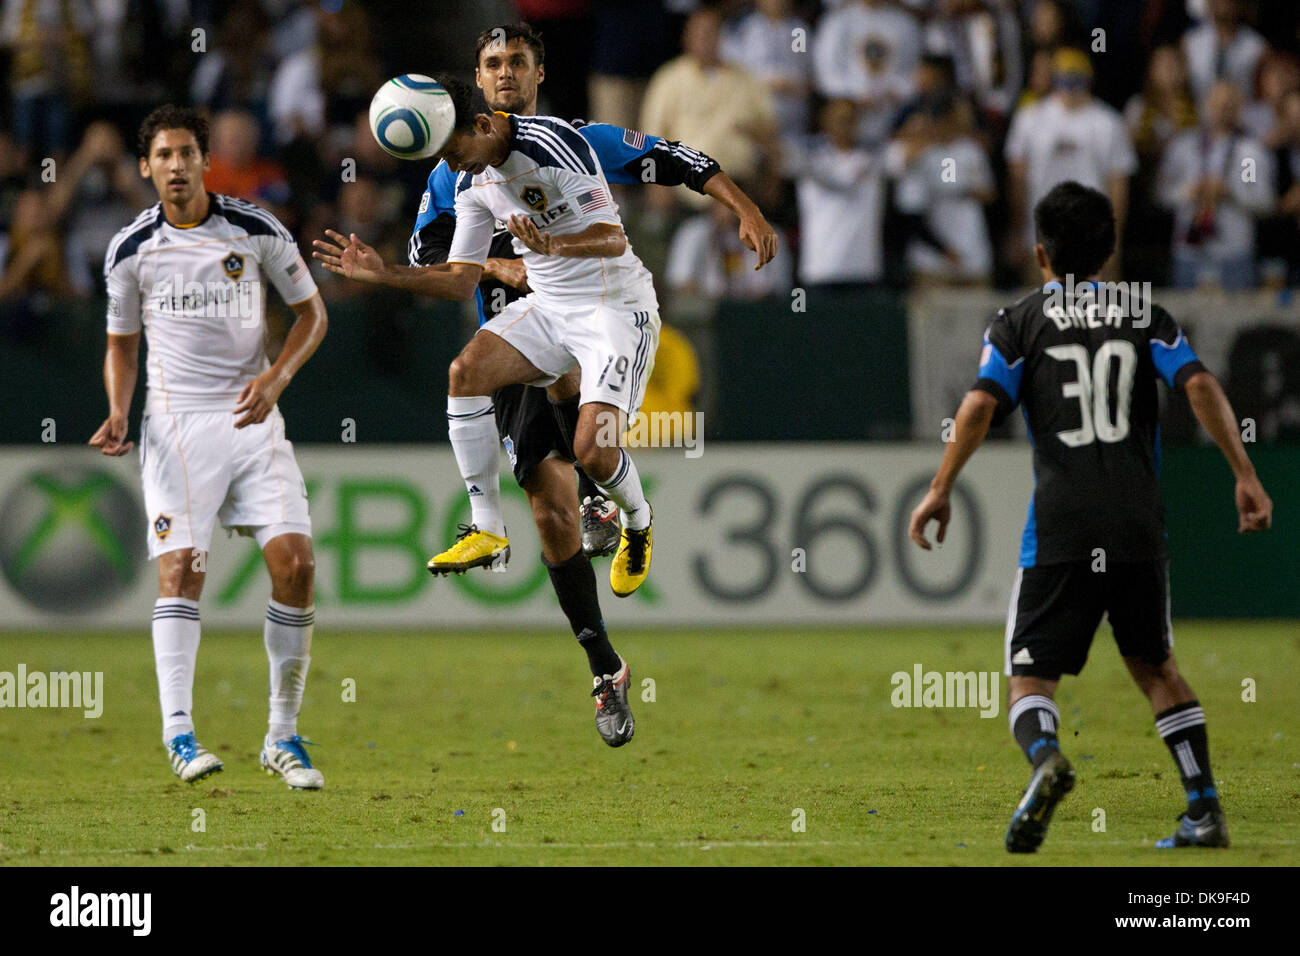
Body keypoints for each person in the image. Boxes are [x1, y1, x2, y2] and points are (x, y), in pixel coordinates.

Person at [392, 25, 775, 746]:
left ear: (539, 73)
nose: (505, 74)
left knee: (585, 415)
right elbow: (430, 258)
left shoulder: (580, 140)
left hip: (589, 315)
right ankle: (605, 668)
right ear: (477, 80)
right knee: (549, 518)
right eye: (492, 65)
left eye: (517, 63)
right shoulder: (453, 170)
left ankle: (611, 494)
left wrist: (743, 206)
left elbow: (679, 160)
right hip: (516, 337)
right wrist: (502, 268)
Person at [908, 181, 1274, 853]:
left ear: (1040, 254)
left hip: (1061, 523)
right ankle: (1204, 808)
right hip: (1137, 521)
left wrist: (940, 487)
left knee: (1030, 675)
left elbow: (982, 404)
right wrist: (1245, 475)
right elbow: (1198, 383)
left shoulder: (1018, 322)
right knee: (1155, 666)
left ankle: (1046, 758)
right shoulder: (1146, 316)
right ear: (1107, 255)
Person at [313, 77, 668, 742]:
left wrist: (549, 246)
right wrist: (382, 273)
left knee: (593, 451)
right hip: (536, 322)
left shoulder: (556, 146)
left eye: (452, 150)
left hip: (609, 311)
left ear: (478, 122)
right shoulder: (467, 179)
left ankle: (633, 519)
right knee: (471, 383)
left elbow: (613, 240)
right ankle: (510, 555)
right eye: (437, 158)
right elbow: (457, 276)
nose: (449, 168)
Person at [89, 106, 329, 789]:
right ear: (146, 167)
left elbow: (314, 313)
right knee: (182, 573)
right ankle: (179, 734)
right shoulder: (130, 249)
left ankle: (282, 737)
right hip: (177, 427)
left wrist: (277, 377)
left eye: (187, 153)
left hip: (253, 421)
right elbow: (120, 346)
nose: (175, 165)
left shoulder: (254, 228)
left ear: (204, 161)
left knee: (297, 565)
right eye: (162, 155)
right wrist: (116, 409)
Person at [1157, 80, 1274, 290]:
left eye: (1229, 104)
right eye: (1216, 104)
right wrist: (1188, 191)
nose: (1221, 110)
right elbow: (1162, 194)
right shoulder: (1184, 146)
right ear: (1205, 105)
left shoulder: (1248, 153)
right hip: (1189, 251)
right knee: (1185, 320)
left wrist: (1230, 192)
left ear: (1239, 108)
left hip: (1233, 253)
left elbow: (1263, 201)